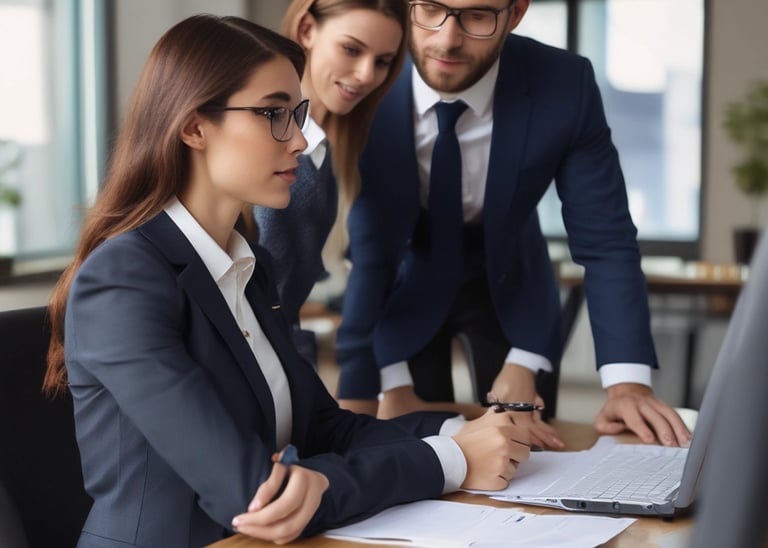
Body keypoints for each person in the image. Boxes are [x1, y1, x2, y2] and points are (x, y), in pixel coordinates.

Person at [42, 14, 530, 547]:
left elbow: (327, 429)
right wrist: (450, 461)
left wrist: (464, 432)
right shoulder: (123, 278)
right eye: (274, 113)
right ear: (194, 127)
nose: (299, 139)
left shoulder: (247, 263)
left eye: (296, 114)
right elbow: (255, 495)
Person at [335, 0, 692, 450]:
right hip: (400, 289)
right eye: (430, 9)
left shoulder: (564, 84)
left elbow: (606, 241)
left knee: (529, 451)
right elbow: (370, 251)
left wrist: (627, 383)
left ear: (516, 13)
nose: (448, 39)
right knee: (419, 451)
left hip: (512, 284)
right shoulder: (366, 77)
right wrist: (387, 379)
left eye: (478, 16)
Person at [244, 0, 407, 367]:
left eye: (383, 61)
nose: (366, 74)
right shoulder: (258, 140)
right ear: (306, 30)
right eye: (351, 49)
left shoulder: (326, 152)